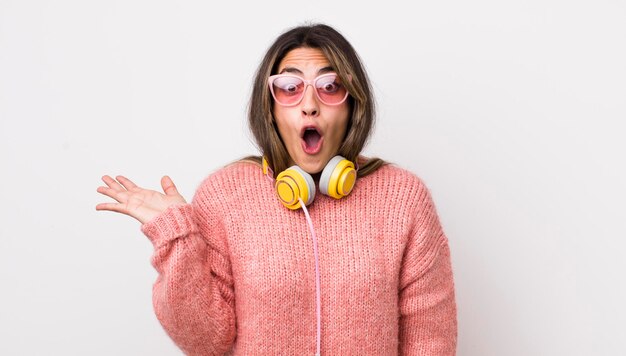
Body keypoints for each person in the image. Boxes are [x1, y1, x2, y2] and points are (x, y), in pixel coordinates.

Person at [96, 23, 457, 355]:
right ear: (270, 108)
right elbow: (205, 340)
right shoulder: (225, 196)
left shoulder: (404, 198)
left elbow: (431, 341)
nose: (310, 105)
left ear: (352, 104)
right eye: (290, 88)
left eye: (330, 87)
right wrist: (177, 238)